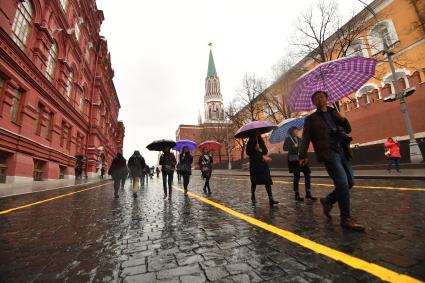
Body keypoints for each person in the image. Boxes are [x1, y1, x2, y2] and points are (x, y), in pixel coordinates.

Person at [299, 90, 364, 231]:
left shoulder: (335, 112)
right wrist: (302, 155)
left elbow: (348, 129)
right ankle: (346, 218)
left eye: (322, 97)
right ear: (314, 102)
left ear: (326, 98)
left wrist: (342, 119)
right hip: (328, 153)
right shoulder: (311, 119)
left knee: (350, 182)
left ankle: (328, 200)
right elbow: (305, 138)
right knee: (342, 182)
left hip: (343, 150)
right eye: (316, 98)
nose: (320, 100)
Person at [283, 127, 316, 202]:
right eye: (295, 130)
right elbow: (284, 148)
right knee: (297, 176)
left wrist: (306, 157)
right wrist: (292, 146)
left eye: (297, 130)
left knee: (307, 173)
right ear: (291, 131)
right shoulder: (288, 139)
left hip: (301, 159)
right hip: (293, 160)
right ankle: (297, 194)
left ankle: (308, 193)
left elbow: (303, 149)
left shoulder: (299, 139)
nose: (297, 131)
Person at [246, 132, 279, 206]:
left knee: (267, 180)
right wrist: (254, 149)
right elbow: (248, 152)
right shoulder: (250, 142)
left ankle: (271, 199)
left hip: (262, 163)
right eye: (255, 133)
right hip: (255, 164)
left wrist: (260, 149)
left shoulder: (260, 141)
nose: (257, 134)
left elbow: (265, 151)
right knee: (254, 181)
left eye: (258, 132)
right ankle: (253, 195)